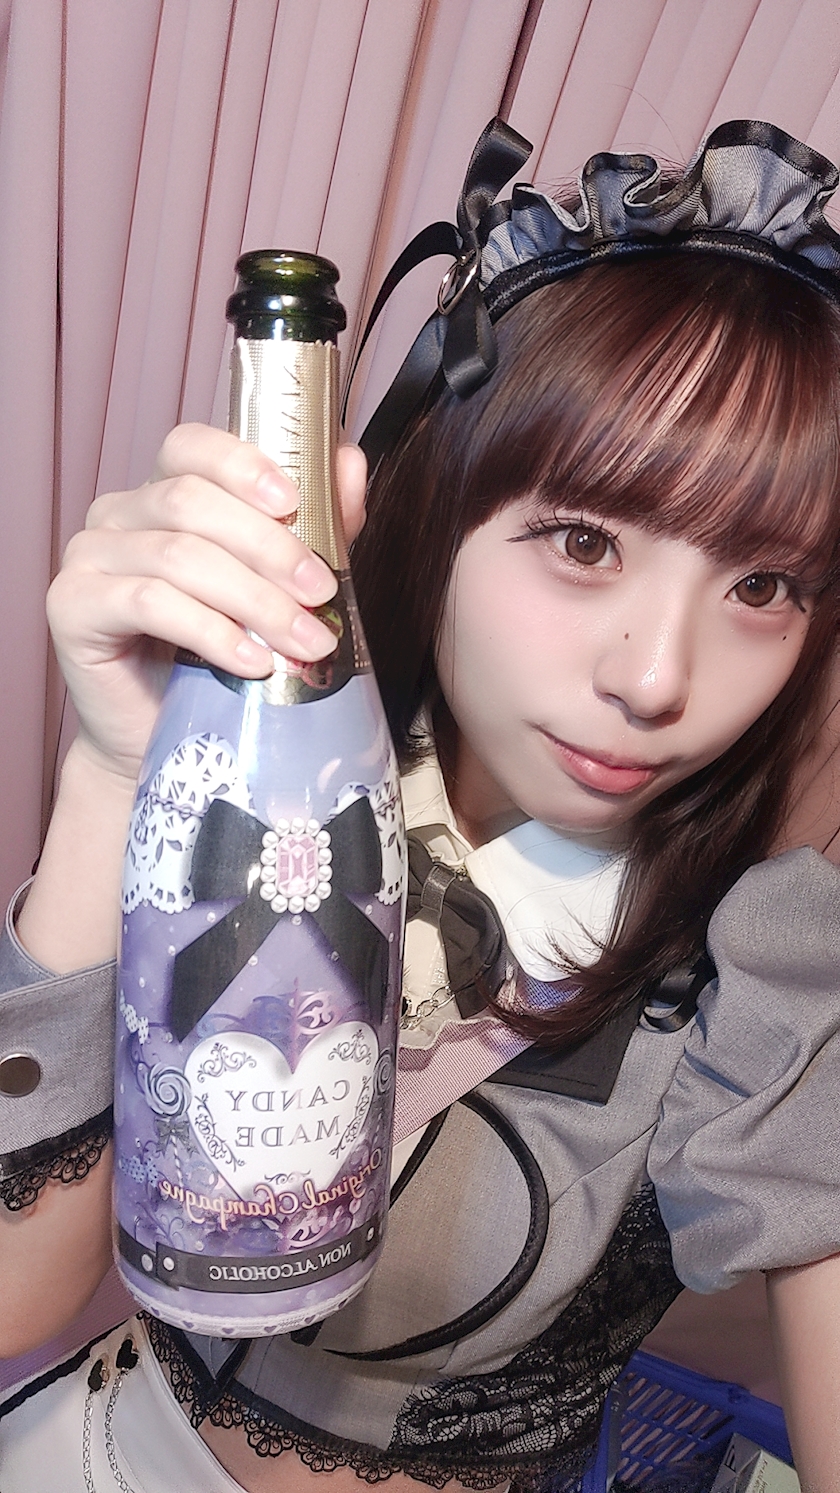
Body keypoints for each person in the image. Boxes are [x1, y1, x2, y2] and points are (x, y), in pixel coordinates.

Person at [3, 118, 840, 1492]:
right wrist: (112, 774)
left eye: (764, 585)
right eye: (584, 541)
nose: (657, 679)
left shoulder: (767, 959)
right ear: (443, 505)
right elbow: (11, 1296)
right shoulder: (273, 786)